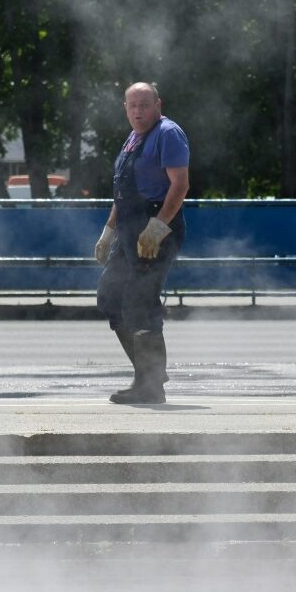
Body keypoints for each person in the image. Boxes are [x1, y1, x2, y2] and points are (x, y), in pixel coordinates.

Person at [94, 81, 190, 405]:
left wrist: (158, 227)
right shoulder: (133, 139)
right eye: (132, 105)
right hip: (128, 230)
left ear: (157, 105)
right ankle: (147, 374)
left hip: (156, 228)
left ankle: (150, 385)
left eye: (144, 105)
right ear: (125, 108)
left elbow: (180, 185)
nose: (138, 111)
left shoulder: (168, 133)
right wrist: (108, 232)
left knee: (138, 302)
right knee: (110, 296)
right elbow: (123, 191)